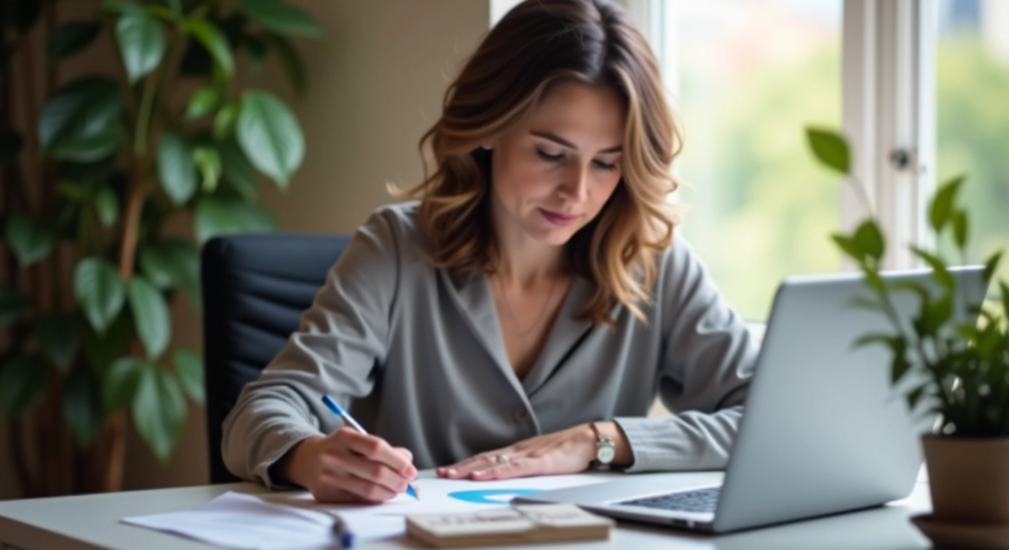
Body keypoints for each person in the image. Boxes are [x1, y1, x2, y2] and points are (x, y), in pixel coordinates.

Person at [222, 0, 758, 504]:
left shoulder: (654, 262)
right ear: (489, 128)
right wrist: (311, 455)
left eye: (606, 163)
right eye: (551, 154)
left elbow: (772, 419)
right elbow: (259, 412)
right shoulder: (396, 249)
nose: (577, 192)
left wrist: (600, 439)